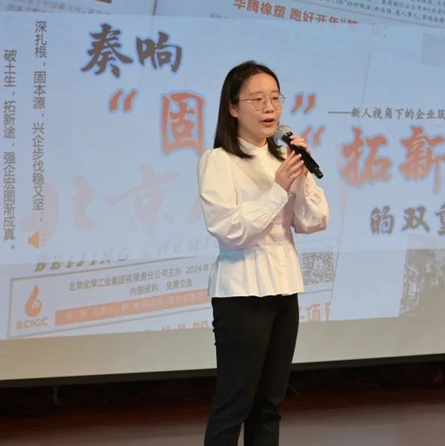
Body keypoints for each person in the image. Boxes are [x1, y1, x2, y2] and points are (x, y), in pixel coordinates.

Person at [197, 60, 329, 446]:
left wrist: (302, 176)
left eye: (274, 98)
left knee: (269, 406)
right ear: (232, 108)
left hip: (285, 289)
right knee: (234, 405)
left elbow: (314, 221)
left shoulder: (283, 160)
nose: (269, 107)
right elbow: (230, 231)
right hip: (241, 294)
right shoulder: (218, 161)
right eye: (257, 99)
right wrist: (277, 190)